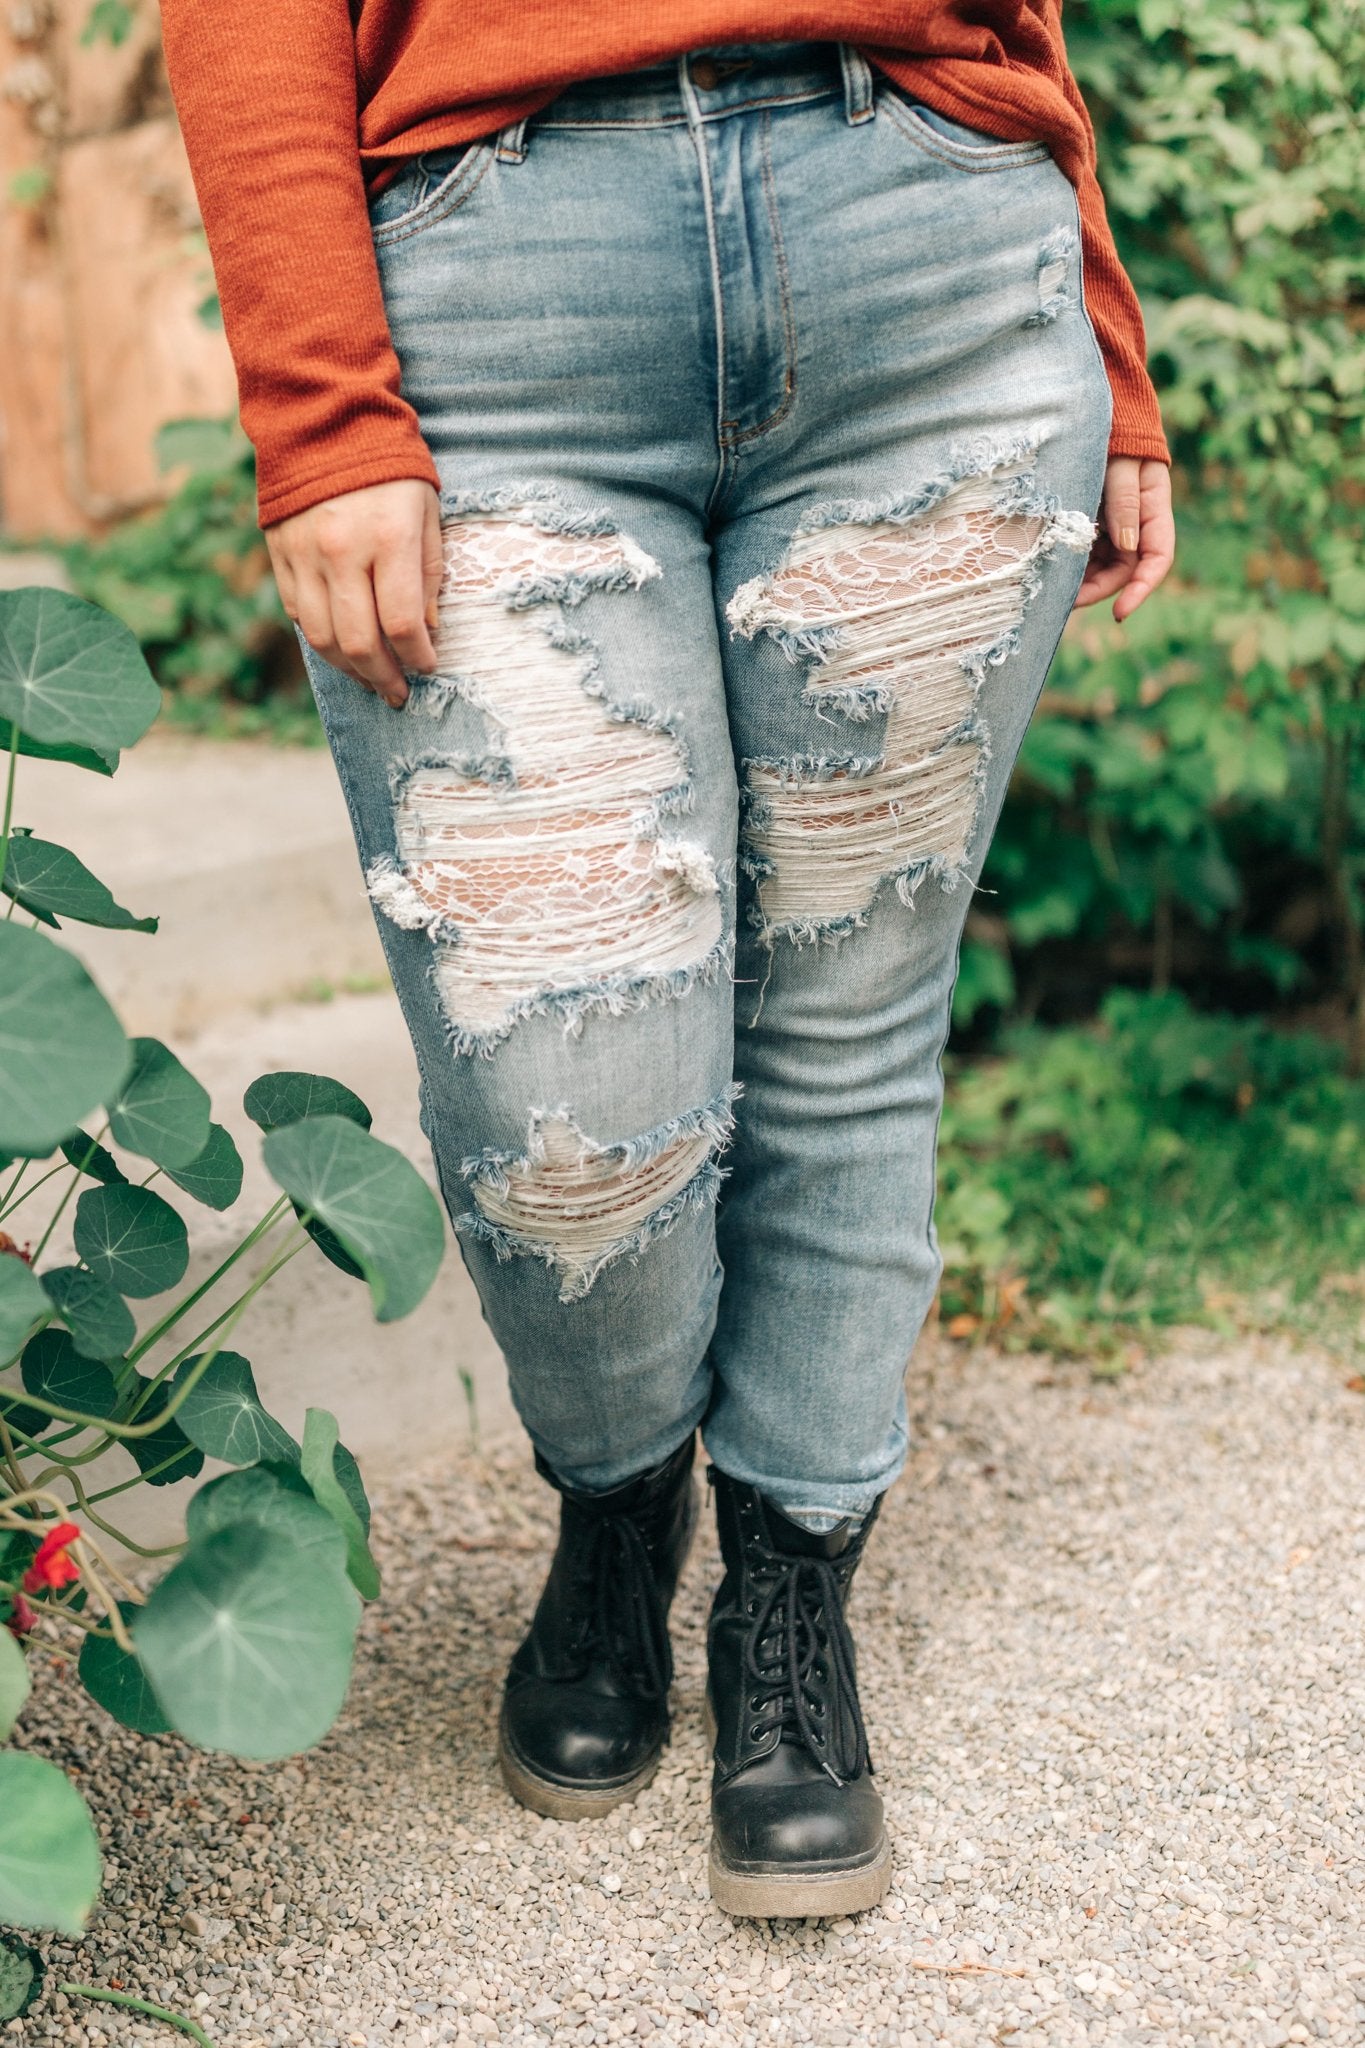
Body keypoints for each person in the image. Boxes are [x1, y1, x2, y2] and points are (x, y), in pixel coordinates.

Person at [161, 5, 1174, 1920]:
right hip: (494, 300)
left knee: (852, 1013)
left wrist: (1101, 328)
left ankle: (788, 1595)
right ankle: (618, 1501)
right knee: (562, 1100)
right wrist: (315, 402)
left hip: (936, 257)